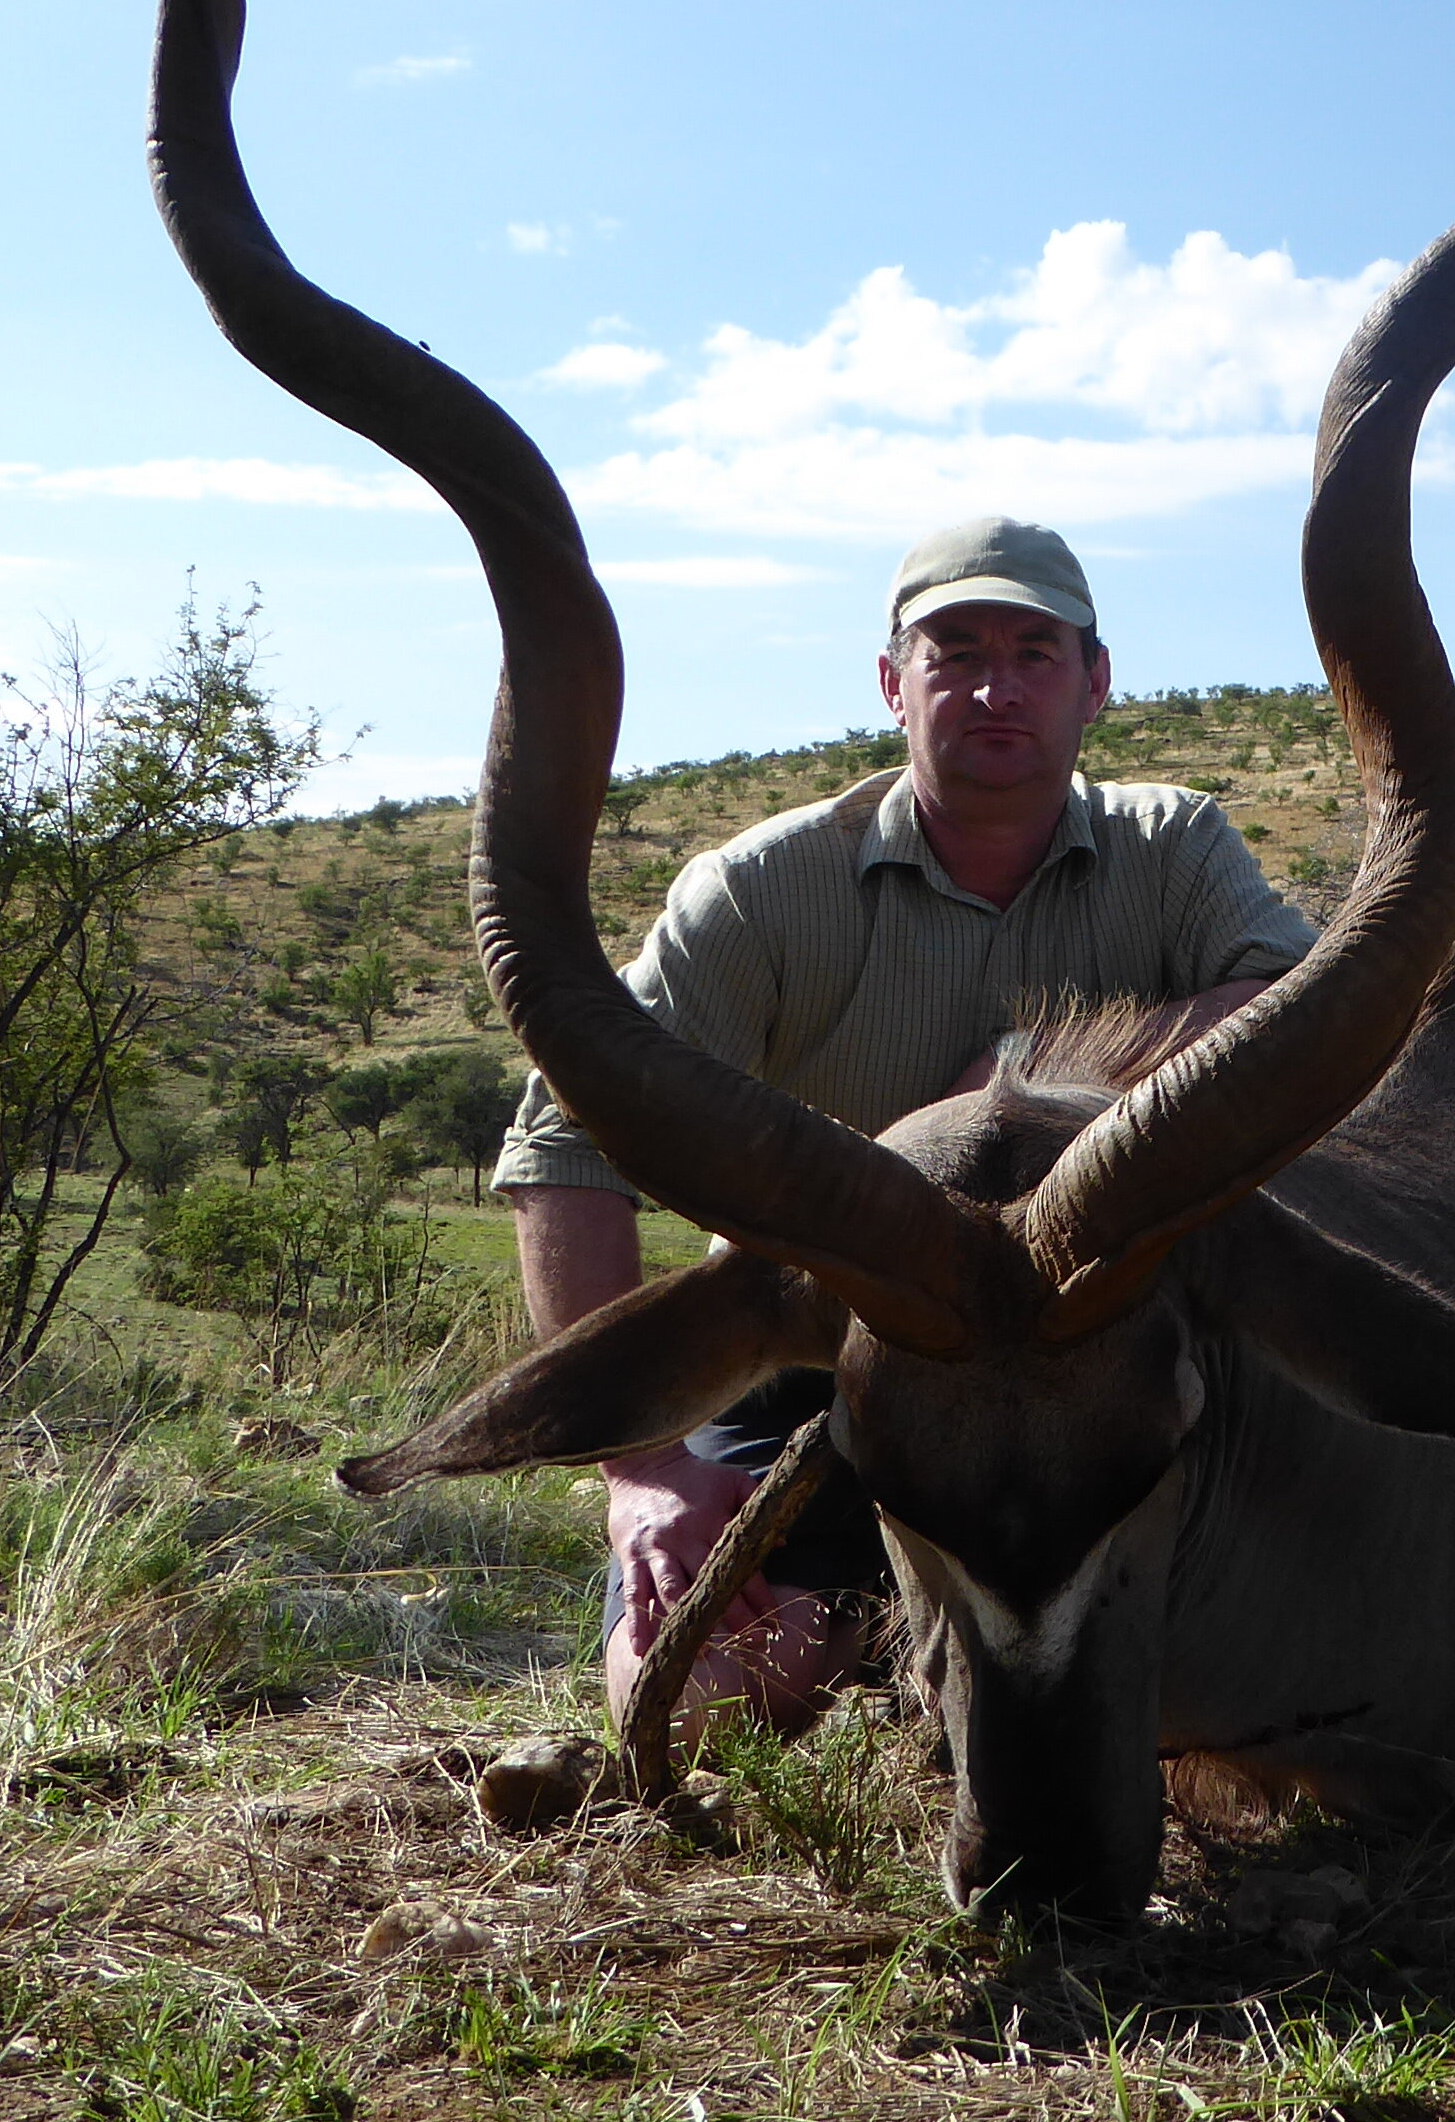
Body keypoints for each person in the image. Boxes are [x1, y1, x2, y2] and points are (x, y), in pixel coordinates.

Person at [490, 514, 1316, 1743]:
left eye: (1036, 652)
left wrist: (1035, 1070)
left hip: (1108, 1354)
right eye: (954, 651)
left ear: (1095, 683)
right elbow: (567, 1154)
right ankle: (894, 1633)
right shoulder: (760, 889)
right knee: (710, 1702)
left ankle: (948, 1654)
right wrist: (645, 1467)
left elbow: (1306, 1011)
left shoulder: (1174, 844)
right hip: (833, 1358)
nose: (995, 687)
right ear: (892, 683)